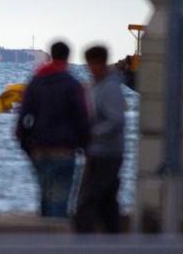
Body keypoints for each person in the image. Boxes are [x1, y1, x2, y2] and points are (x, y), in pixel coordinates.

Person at [15, 41, 90, 218]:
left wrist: (26, 144)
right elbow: (82, 119)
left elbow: (23, 116)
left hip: (39, 149)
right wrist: (84, 146)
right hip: (64, 149)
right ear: (68, 57)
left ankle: (44, 240)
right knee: (60, 199)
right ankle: (57, 240)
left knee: (44, 197)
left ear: (51, 55)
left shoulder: (36, 81)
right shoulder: (72, 85)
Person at [73, 45, 126, 232]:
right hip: (97, 151)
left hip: (106, 153)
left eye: (92, 64)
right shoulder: (96, 86)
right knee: (107, 201)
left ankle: (84, 240)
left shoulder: (110, 88)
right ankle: (112, 237)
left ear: (100, 63)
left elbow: (117, 120)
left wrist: (92, 133)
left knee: (87, 201)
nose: (89, 69)